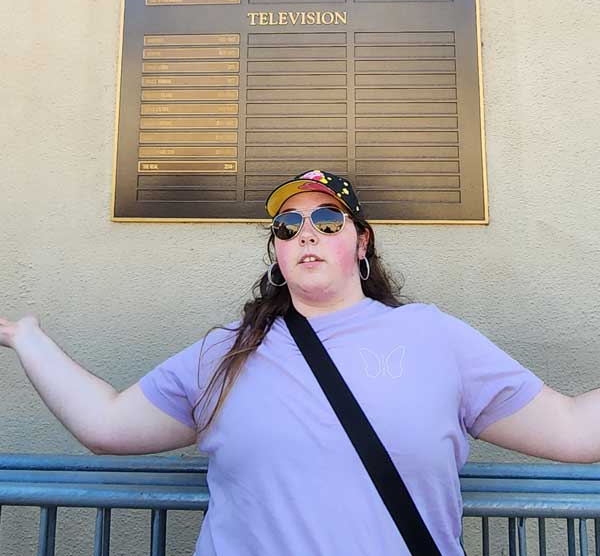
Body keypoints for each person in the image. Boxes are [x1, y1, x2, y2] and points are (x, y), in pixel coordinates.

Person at [0, 169, 596, 556]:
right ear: (276, 250)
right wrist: (26, 338)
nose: (305, 233)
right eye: (288, 226)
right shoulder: (227, 353)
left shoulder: (435, 338)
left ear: (361, 243)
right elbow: (106, 425)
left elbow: (571, 429)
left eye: (327, 220)